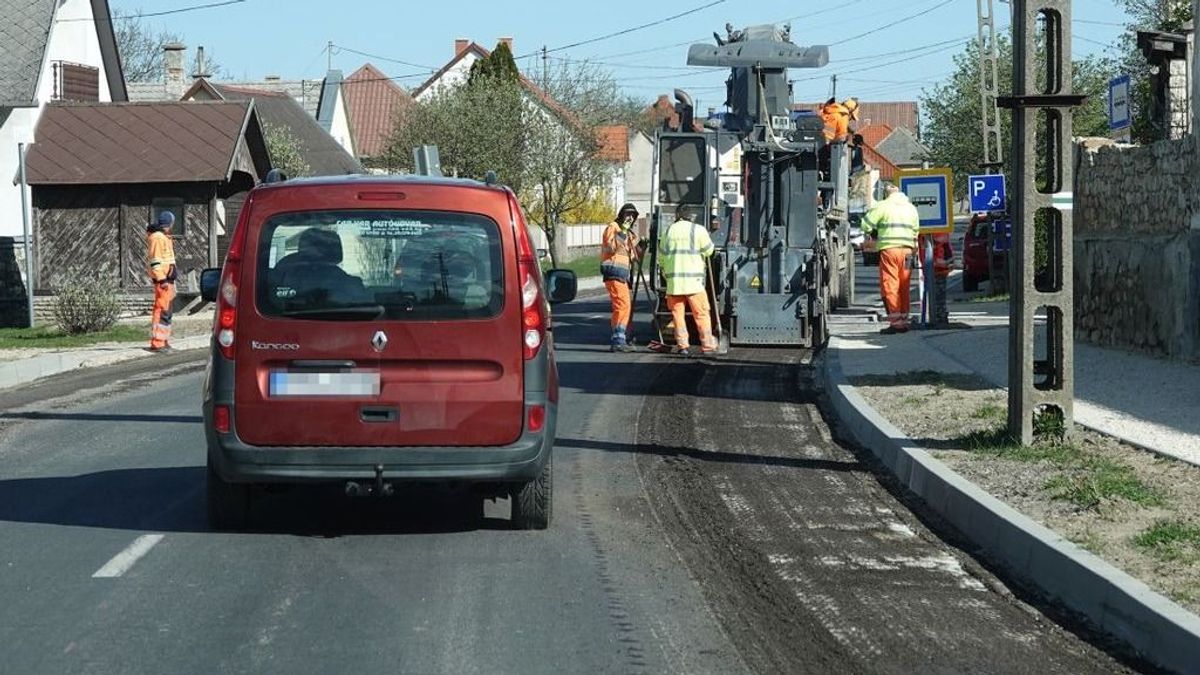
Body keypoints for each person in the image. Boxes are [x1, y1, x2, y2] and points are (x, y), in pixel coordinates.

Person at [860, 183, 920, 334]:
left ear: (886, 194)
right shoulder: (911, 208)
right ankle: (904, 319)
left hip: (890, 250)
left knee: (891, 285)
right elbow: (916, 230)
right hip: (907, 250)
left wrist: (874, 231)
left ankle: (896, 322)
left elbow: (865, 225)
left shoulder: (883, 206)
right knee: (904, 285)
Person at [658, 204, 717, 355]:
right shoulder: (698, 230)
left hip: (674, 284)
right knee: (702, 313)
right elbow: (710, 251)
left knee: (678, 316)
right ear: (691, 216)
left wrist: (667, 274)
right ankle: (708, 345)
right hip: (694, 283)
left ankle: (683, 345)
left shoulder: (668, 231)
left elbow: (661, 258)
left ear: (677, 215)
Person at [600, 203, 642, 352]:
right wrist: (622, 232)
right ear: (621, 215)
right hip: (613, 271)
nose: (630, 218)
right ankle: (618, 339)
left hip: (622, 274)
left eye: (633, 215)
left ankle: (621, 336)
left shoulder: (628, 233)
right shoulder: (613, 227)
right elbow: (611, 247)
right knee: (622, 305)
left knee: (624, 306)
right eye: (627, 214)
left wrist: (641, 247)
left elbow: (633, 255)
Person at [146, 210, 178, 352]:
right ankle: (158, 342)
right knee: (162, 311)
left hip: (167, 280)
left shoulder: (163, 237)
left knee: (167, 311)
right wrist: (162, 279)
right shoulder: (158, 238)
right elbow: (155, 261)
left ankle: (163, 340)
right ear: (170, 223)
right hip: (163, 281)